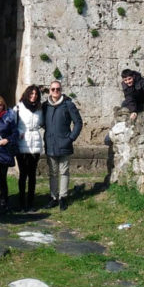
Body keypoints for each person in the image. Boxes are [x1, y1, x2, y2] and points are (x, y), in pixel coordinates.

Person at [43, 80, 82, 211]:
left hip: (64, 143)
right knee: (53, 172)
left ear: (61, 90)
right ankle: (53, 197)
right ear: (49, 91)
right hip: (50, 144)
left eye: (58, 89)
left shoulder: (68, 104)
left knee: (64, 171)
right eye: (53, 89)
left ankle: (63, 197)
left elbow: (78, 123)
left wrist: (70, 138)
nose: (55, 91)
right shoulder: (45, 106)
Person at [13, 85, 44, 212]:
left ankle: (30, 203)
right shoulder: (19, 107)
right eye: (31, 94)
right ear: (27, 94)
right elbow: (13, 124)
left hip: (35, 142)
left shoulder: (40, 109)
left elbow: (42, 123)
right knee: (23, 174)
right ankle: (21, 203)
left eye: (36, 94)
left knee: (32, 175)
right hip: (22, 142)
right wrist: (19, 131)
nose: (33, 96)